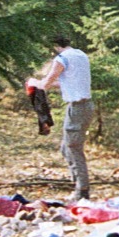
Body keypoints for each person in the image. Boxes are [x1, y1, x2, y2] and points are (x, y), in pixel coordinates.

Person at [28, 34, 95, 201]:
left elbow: (45, 84)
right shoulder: (80, 54)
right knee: (65, 148)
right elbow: (68, 82)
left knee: (73, 148)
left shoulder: (61, 58)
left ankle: (82, 190)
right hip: (85, 106)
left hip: (78, 107)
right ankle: (77, 185)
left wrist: (33, 82)